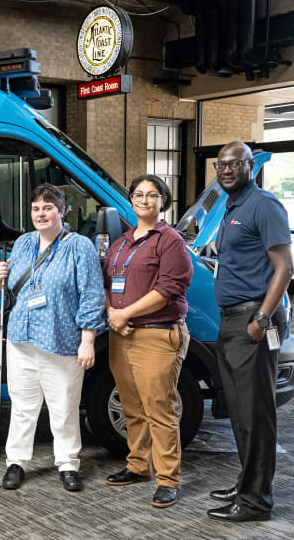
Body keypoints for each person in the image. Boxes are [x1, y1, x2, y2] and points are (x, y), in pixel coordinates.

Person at [0, 183, 105, 492]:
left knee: (64, 407)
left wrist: (88, 339)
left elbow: (92, 294)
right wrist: (0, 279)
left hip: (62, 341)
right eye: (36, 208)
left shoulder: (79, 246)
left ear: (62, 211)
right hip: (21, 338)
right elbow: (14, 290)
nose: (41, 214)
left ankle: (68, 464)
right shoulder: (23, 243)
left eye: (48, 208)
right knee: (22, 406)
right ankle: (16, 461)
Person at [207, 141, 293, 522]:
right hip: (231, 320)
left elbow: (285, 268)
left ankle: (256, 501)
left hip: (252, 321)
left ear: (250, 167)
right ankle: (248, 483)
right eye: (221, 165)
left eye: (235, 164)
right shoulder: (231, 207)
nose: (227, 170)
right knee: (240, 411)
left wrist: (262, 319)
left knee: (256, 414)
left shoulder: (264, 205)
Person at [102, 175, 193, 508]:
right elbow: (107, 282)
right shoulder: (121, 242)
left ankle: (168, 479)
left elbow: (168, 289)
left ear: (163, 201)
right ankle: (138, 466)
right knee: (132, 406)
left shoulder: (170, 241)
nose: (143, 200)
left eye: (151, 195)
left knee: (159, 409)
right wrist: (113, 314)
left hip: (157, 333)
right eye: (138, 194)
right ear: (130, 200)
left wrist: (125, 314)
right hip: (122, 333)